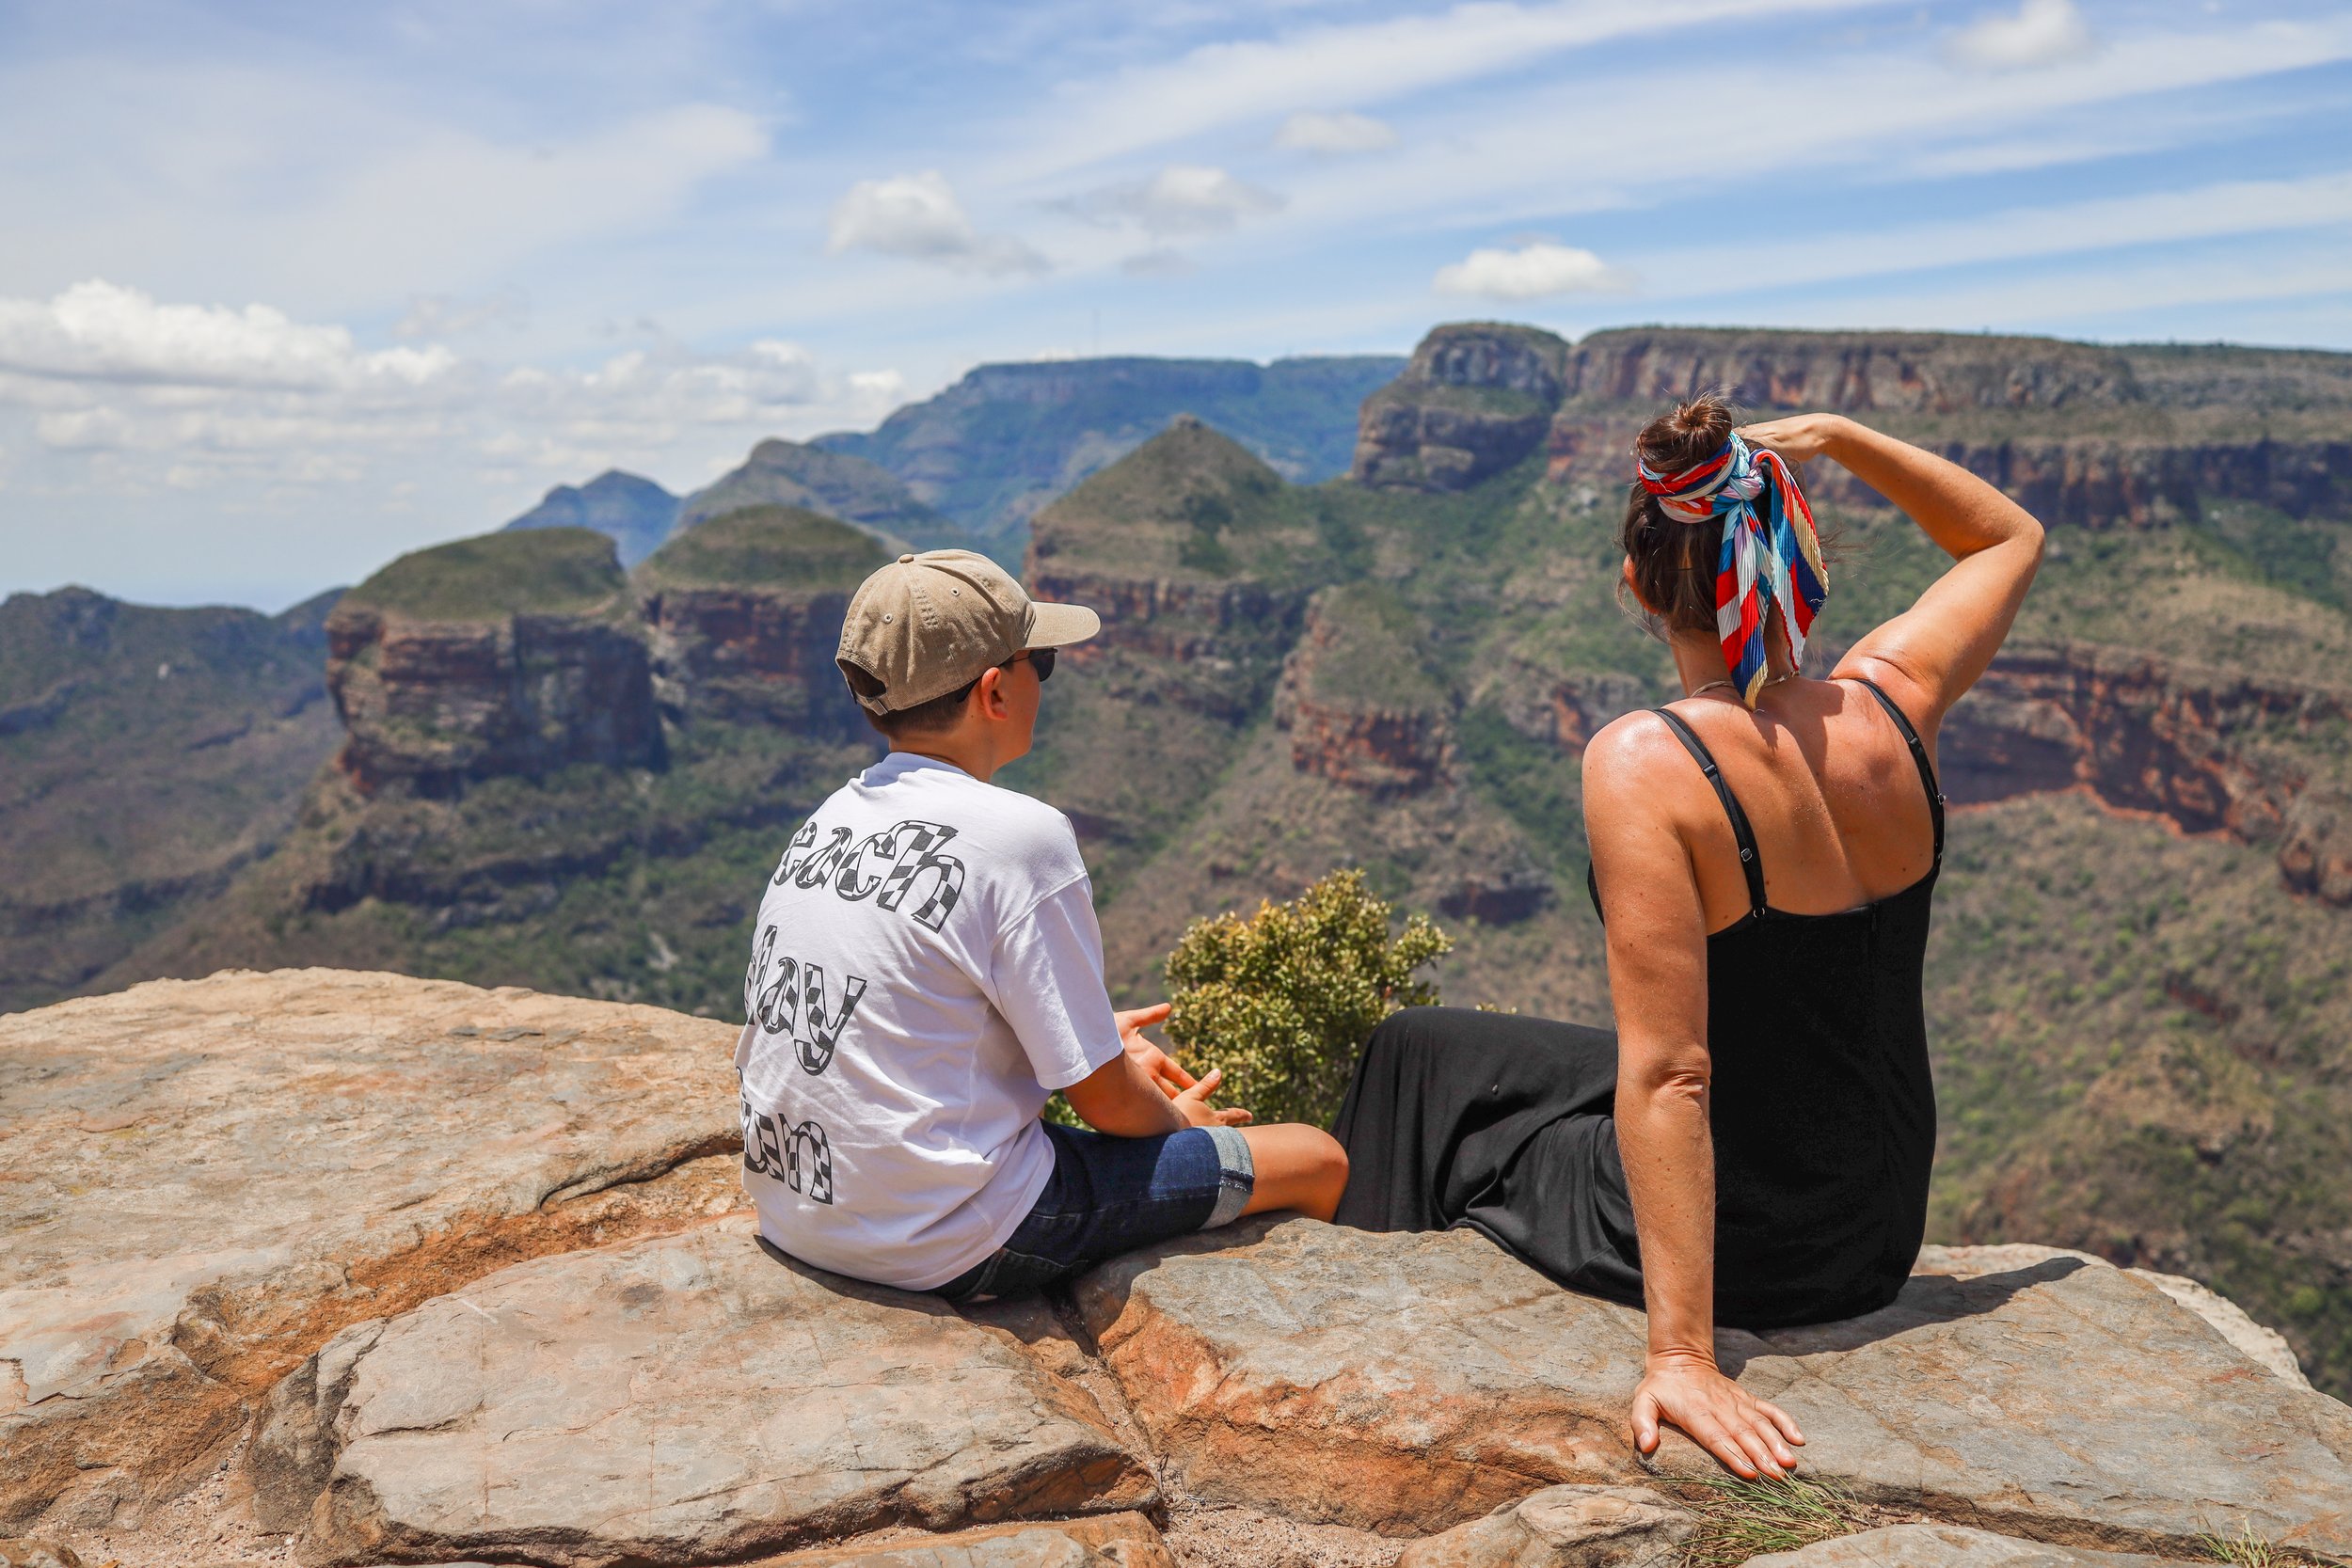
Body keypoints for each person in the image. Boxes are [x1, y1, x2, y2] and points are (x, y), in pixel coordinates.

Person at [1331, 394, 2042, 1482]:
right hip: (1874, 1218)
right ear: (1795, 557)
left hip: (1760, 1247)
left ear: (1635, 586)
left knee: (1427, 1083)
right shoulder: (1895, 699)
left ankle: (1362, 1377)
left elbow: (1672, 1073)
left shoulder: (1647, 763)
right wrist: (1841, 436)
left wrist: (1683, 1354)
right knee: (1432, 1038)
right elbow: (2007, 535)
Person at [736, 548, 1348, 1302]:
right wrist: (1179, 1124)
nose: (1044, 684)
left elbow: (908, 1009)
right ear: (995, 690)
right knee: (1316, 1157)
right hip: (946, 1236)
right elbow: (1108, 1106)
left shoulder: (826, 821)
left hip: (797, 1211)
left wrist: (1088, 1039)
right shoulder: (1023, 836)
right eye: (1042, 663)